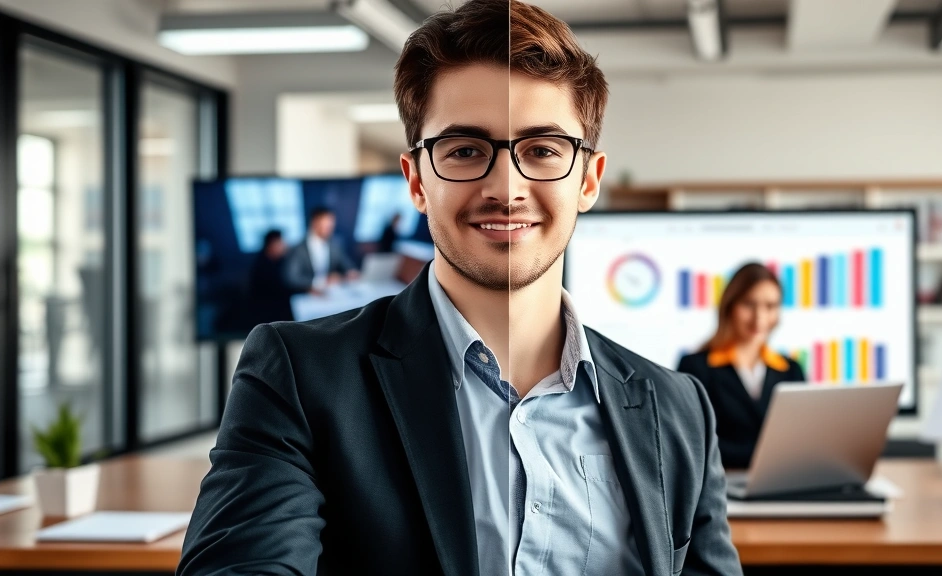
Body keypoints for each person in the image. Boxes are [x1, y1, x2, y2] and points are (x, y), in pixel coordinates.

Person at [178, 2, 741, 575]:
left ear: (589, 180)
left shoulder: (678, 408)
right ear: (417, 181)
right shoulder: (301, 376)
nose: (507, 187)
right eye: (466, 151)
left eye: (543, 150)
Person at [677, 262, 806, 470]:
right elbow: (691, 442)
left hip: (780, 480)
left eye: (770, 306)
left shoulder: (791, 370)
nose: (759, 317)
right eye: (749, 304)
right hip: (721, 485)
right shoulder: (696, 367)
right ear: (730, 307)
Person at [283, 206, 360, 295]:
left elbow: (345, 263)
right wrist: (321, 281)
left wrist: (350, 271)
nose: (331, 226)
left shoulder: (335, 243)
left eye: (332, 222)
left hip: (332, 293)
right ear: (314, 222)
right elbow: (291, 278)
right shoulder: (298, 248)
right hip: (306, 296)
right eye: (327, 223)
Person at [246, 230, 295, 324]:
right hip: (268, 315)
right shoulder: (263, 267)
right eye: (280, 243)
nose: (284, 246)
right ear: (271, 245)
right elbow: (282, 290)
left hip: (275, 306)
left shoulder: (277, 261)